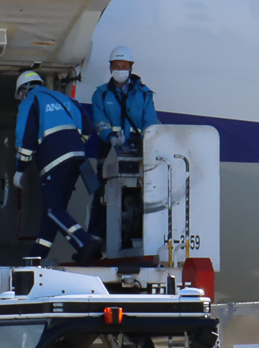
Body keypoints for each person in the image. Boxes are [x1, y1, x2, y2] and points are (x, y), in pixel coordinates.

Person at [13, 70, 100, 263]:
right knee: (52, 213)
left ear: (25, 89)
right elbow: (88, 128)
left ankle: (86, 243)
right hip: (77, 159)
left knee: (53, 210)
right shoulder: (65, 99)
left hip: (54, 161)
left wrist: (20, 169)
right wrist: (73, 145)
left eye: (21, 93)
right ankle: (34, 259)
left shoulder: (31, 102)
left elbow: (24, 138)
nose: (22, 97)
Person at [88, 46, 160, 248]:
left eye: (124, 66)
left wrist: (147, 140)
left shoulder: (144, 95)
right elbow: (100, 122)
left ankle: (135, 239)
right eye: (116, 66)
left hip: (138, 151)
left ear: (130, 67)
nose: (120, 70)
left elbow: (150, 122)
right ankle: (95, 240)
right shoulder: (101, 94)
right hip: (109, 151)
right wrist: (111, 137)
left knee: (139, 194)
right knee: (103, 195)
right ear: (110, 67)